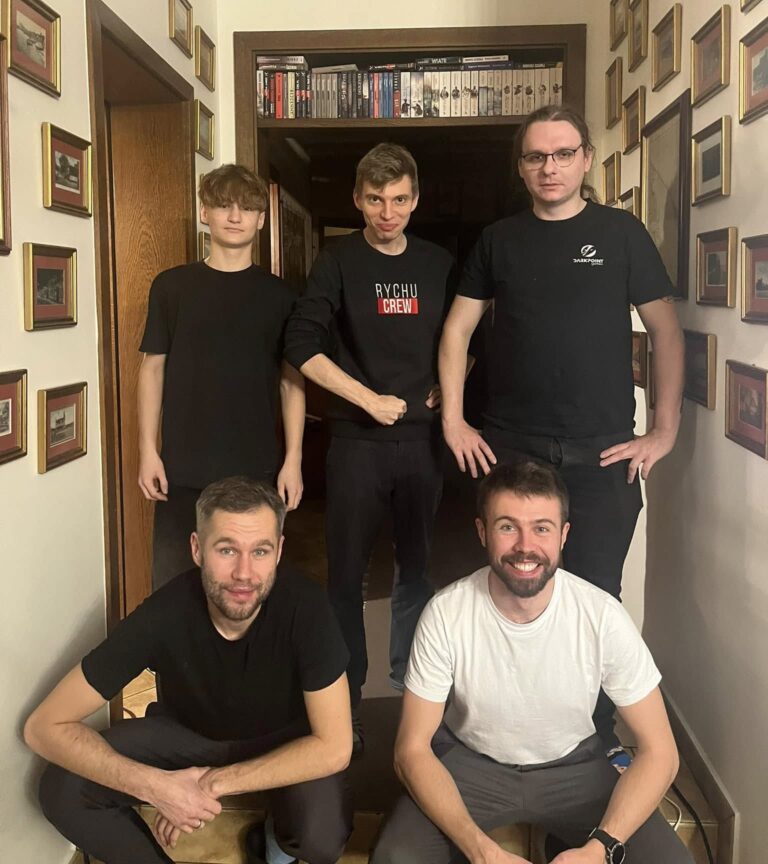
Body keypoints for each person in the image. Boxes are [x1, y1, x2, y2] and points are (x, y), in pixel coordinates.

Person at [438, 104, 684, 749]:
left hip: (603, 454)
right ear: (521, 167)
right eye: (536, 156)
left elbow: (665, 331)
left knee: (597, 600)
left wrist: (664, 431)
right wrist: (455, 421)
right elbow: (457, 330)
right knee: (508, 594)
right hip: (512, 450)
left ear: (585, 160)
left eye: (563, 154)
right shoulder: (498, 240)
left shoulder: (621, 234)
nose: (550, 167)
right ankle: (498, 733)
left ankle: (591, 740)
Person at [371, 461, 693, 864]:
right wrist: (480, 850)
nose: (525, 546)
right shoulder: (445, 613)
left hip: (574, 767)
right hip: (471, 763)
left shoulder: (601, 616)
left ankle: (562, 842)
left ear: (563, 535)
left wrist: (599, 849)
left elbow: (661, 752)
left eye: (541, 528)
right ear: (482, 532)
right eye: (508, 527)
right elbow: (411, 750)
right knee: (396, 857)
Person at [25, 477, 353, 864]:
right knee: (62, 789)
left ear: (279, 551)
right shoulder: (164, 613)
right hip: (187, 736)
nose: (244, 572)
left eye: (260, 551)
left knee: (322, 834)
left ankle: (275, 842)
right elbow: (43, 727)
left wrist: (211, 785)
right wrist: (157, 787)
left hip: (283, 740)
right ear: (197, 549)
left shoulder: (308, 608)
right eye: (227, 550)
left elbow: (335, 746)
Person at [284, 142, 456, 745]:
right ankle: (346, 700)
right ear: (358, 199)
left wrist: (450, 383)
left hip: (423, 443)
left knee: (417, 573)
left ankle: (413, 692)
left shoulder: (438, 263)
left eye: (400, 200)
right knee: (346, 577)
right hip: (356, 441)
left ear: (416, 199)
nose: (389, 213)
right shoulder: (337, 260)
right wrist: (366, 399)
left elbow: (469, 334)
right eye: (377, 200)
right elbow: (300, 345)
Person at [138, 164, 305, 589]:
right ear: (204, 212)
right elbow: (152, 369)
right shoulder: (171, 287)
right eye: (223, 205)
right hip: (182, 468)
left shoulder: (282, 296)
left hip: (256, 468)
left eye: (246, 208)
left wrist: (294, 460)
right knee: (173, 588)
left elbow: (291, 383)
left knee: (246, 587)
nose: (234, 216)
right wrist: (147, 450)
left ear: (261, 219)